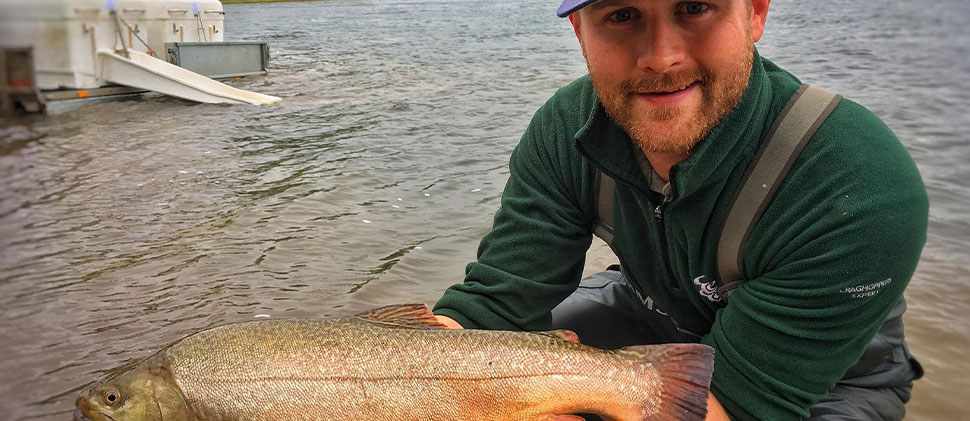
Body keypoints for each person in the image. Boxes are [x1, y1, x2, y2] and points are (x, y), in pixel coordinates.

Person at [432, 0, 927, 419]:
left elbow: (739, 404)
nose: (661, 58)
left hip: (820, 381)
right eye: (623, 14)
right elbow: (497, 307)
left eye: (694, 7)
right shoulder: (568, 126)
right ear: (580, 32)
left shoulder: (856, 184)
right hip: (652, 309)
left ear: (754, 13)